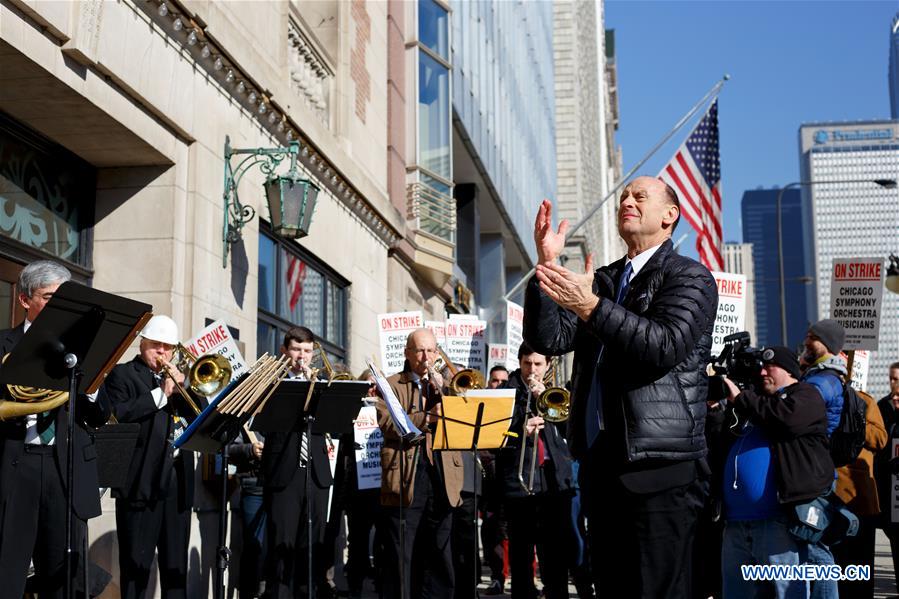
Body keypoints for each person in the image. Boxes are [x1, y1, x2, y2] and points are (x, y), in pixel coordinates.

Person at [524, 176, 717, 598]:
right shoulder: (607, 280)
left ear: (670, 216)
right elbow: (550, 339)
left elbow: (663, 345)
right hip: (603, 466)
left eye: (640, 196)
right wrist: (547, 266)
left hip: (660, 467)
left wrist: (591, 306)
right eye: (624, 196)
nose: (626, 200)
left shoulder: (690, 277)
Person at [0, 260, 110, 598]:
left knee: (62, 578)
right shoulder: (4, 344)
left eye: (64, 299)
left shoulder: (80, 352)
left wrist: (91, 384)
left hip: (65, 467)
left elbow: (99, 416)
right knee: (7, 573)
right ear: (24, 300)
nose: (58, 307)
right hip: (16, 465)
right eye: (49, 297)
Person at [718, 346, 835, 599]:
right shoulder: (756, 402)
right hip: (736, 523)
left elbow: (786, 419)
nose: (762, 372)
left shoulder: (806, 395)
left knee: (788, 593)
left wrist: (742, 398)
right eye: (760, 368)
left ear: (788, 371)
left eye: (769, 367)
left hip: (777, 522)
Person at [102, 314, 197, 599]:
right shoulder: (123, 374)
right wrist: (161, 394)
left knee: (175, 565)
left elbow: (201, 417)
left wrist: (187, 388)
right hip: (140, 482)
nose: (163, 353)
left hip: (177, 482)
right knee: (135, 566)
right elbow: (119, 413)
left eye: (168, 347)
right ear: (142, 343)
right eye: (156, 345)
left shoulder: (180, 380)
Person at [375, 328, 464, 599]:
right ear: (407, 353)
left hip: (442, 473)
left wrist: (447, 391)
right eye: (420, 350)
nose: (426, 357)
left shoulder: (449, 384)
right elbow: (388, 423)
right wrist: (427, 418)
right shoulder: (391, 384)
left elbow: (467, 416)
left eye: (431, 350)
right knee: (402, 551)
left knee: (440, 551)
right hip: (407, 474)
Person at [496, 343, 575, 599]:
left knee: (555, 557)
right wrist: (520, 430)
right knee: (521, 557)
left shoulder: (554, 391)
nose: (533, 370)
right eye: (528, 363)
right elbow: (496, 436)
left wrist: (548, 399)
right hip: (519, 486)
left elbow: (569, 433)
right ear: (519, 362)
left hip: (554, 482)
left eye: (538, 364)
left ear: (548, 365)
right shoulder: (507, 392)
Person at [260, 326, 333, 598]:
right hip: (284, 473)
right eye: (296, 350)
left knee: (312, 546)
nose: (302, 356)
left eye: (307, 351)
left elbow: (335, 425)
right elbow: (264, 424)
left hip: (316, 474)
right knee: (282, 544)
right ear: (284, 351)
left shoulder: (322, 382)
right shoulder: (273, 383)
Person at [799, 319, 847, 599]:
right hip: (811, 468)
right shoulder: (817, 375)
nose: (806, 341)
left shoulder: (825, 380)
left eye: (812, 337)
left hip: (813, 471)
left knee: (816, 547)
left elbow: (798, 411)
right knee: (808, 546)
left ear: (825, 344)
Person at [831, 384, 886, 599]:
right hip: (825, 497)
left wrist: (856, 420)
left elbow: (880, 439)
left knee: (858, 568)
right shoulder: (811, 398)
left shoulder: (863, 401)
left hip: (858, 499)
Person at [875, 361, 899, 595]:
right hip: (889, 481)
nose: (894, 384)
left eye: (897, 379)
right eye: (891, 379)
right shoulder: (882, 406)